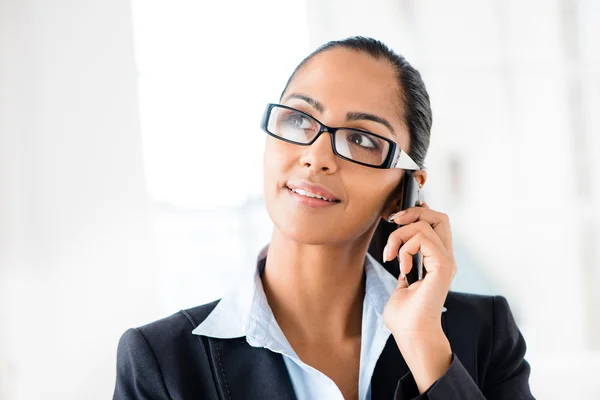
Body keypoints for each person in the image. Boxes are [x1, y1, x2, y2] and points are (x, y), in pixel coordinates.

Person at [113, 36, 535, 399]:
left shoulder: (483, 335)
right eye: (298, 119)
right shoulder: (162, 361)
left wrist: (424, 346)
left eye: (360, 139)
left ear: (404, 188)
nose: (316, 157)